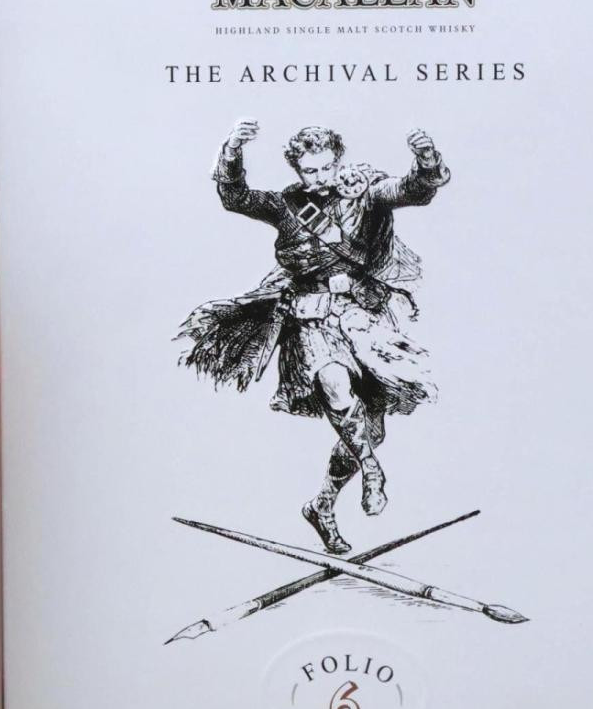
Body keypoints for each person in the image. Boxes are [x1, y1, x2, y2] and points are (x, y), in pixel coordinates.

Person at [178, 120, 450, 554]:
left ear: (338, 162)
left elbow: (412, 190)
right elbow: (236, 198)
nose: (320, 178)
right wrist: (231, 152)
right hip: (310, 318)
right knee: (334, 385)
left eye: (326, 168)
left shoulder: (364, 194)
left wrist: (426, 159)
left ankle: (322, 504)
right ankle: (372, 470)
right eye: (310, 171)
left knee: (370, 429)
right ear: (297, 170)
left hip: (364, 320)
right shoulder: (286, 205)